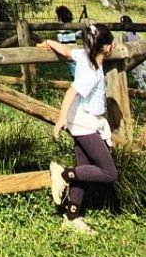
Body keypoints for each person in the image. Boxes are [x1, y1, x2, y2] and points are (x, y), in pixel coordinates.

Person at [45, 22, 118, 234]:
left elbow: (67, 51)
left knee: (84, 169)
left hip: (84, 118)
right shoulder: (91, 72)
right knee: (108, 172)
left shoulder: (85, 56)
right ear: (107, 47)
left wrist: (50, 42)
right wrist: (61, 119)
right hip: (83, 121)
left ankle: (71, 216)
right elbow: (71, 92)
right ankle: (62, 175)